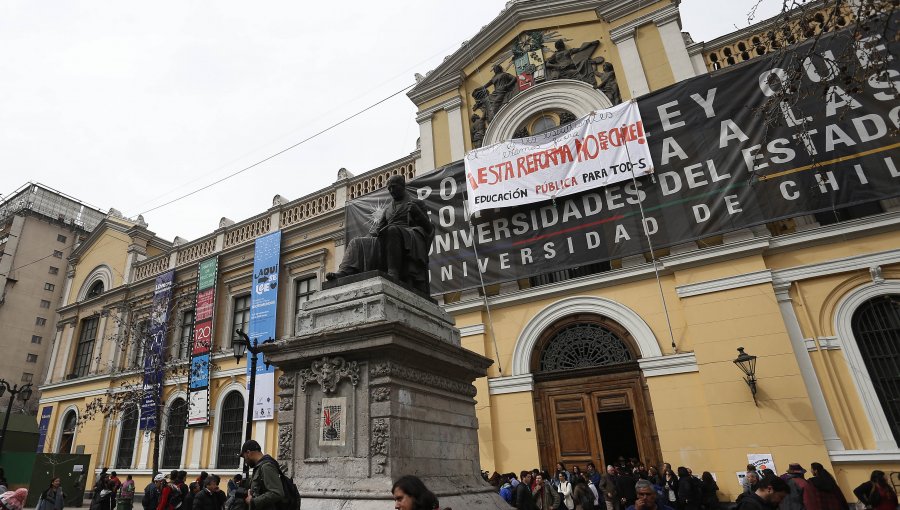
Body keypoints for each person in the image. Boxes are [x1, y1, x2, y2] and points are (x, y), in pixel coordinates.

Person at [239, 439, 285, 510]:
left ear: (248, 452)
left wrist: (253, 501)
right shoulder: (260, 467)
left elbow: (277, 493)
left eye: (245, 457)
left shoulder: (266, 466)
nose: (246, 461)